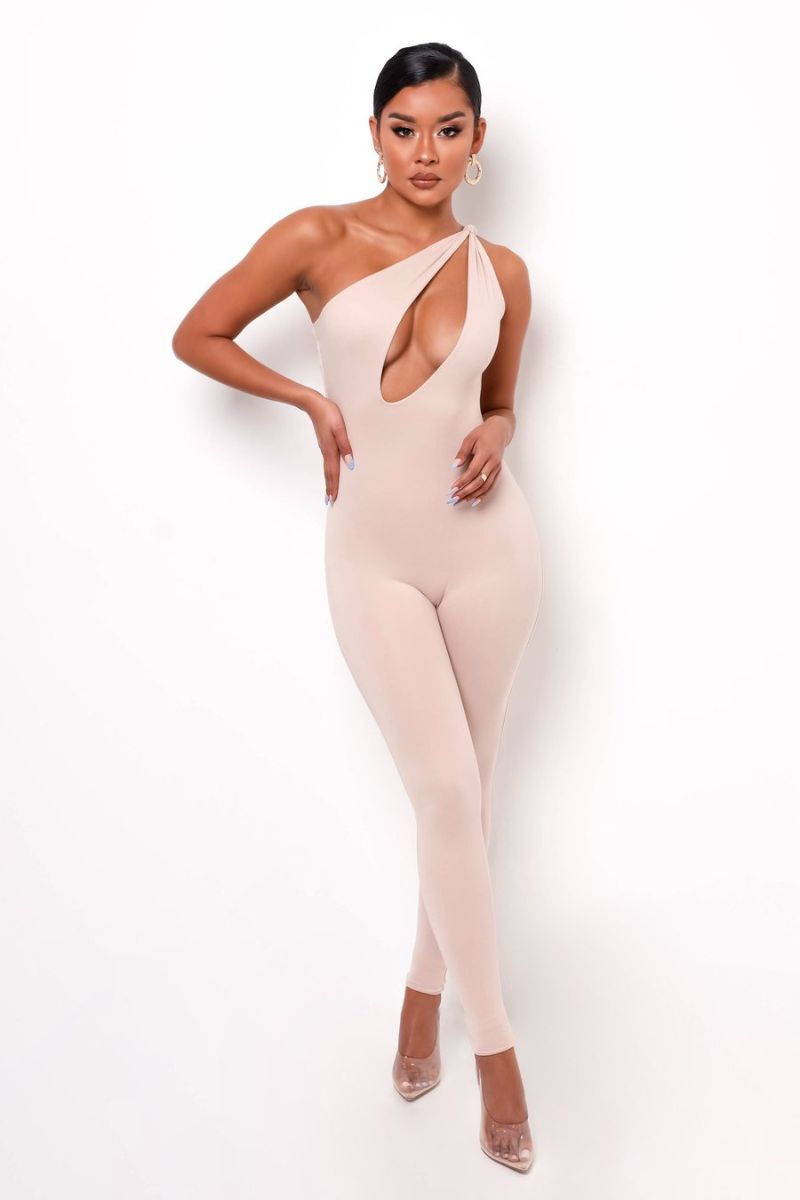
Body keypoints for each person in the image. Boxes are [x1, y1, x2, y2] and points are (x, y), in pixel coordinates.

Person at [172, 40, 543, 1173]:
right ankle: (498, 1055)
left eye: (447, 129)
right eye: (403, 127)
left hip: (492, 549)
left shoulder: (505, 271)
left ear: (477, 141)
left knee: (466, 794)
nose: (425, 151)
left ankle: (422, 997)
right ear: (374, 134)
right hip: (372, 555)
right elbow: (197, 334)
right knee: (444, 790)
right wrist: (306, 401)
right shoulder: (316, 237)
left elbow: (501, 402)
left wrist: (498, 429)